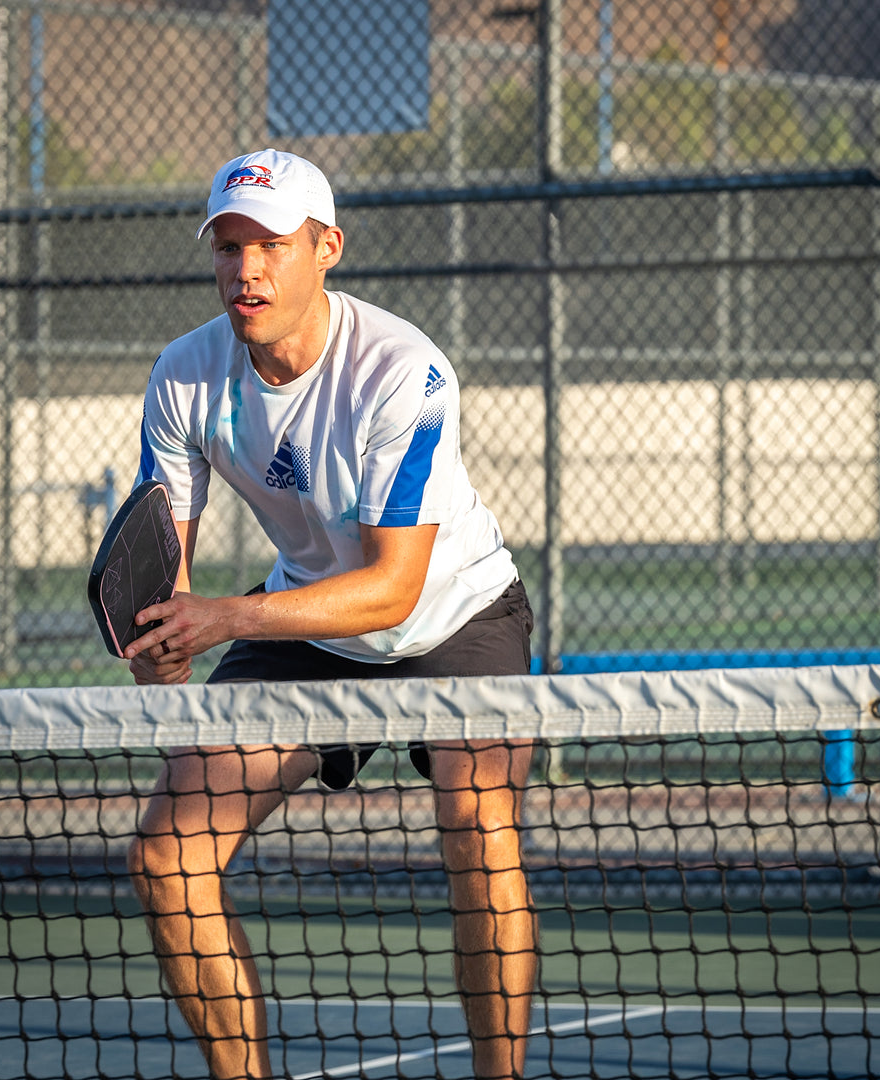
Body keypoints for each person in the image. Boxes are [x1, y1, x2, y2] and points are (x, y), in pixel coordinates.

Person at [124, 148, 537, 1080]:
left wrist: (222, 618)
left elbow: (392, 587)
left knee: (478, 822)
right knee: (168, 854)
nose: (246, 269)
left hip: (454, 615)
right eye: (229, 246)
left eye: (269, 244)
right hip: (305, 626)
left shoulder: (404, 371)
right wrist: (161, 645)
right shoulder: (185, 376)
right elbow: (171, 580)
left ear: (327, 248)